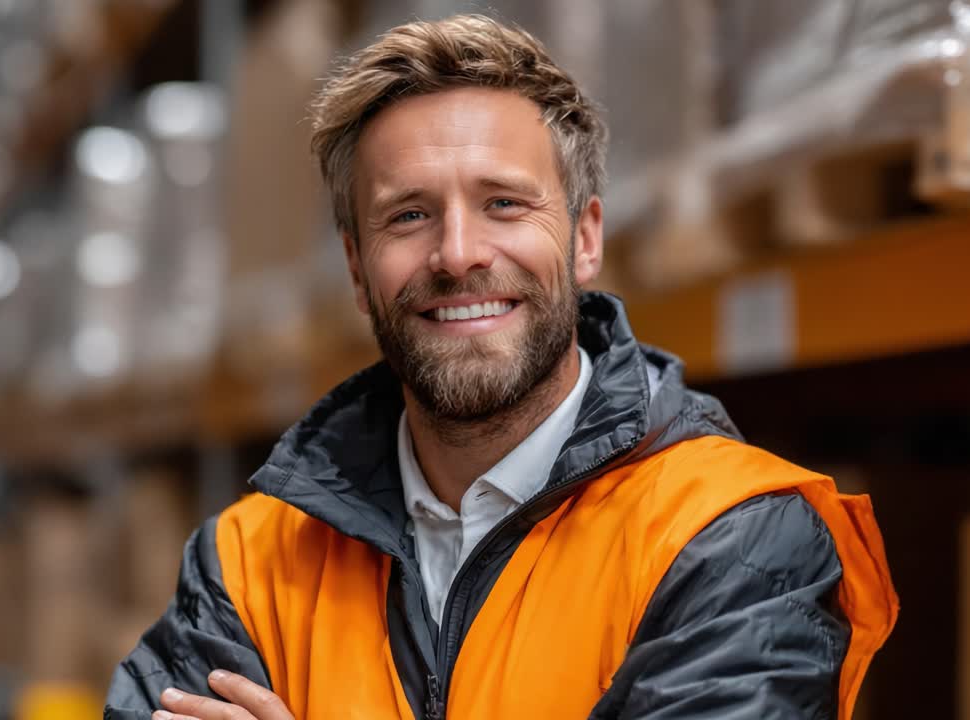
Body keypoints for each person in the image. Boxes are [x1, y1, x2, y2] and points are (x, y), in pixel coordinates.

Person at [105, 14, 898, 720]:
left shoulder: (732, 538)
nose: (457, 255)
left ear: (586, 238)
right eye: (409, 215)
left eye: (504, 204)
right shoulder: (250, 561)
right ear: (355, 269)